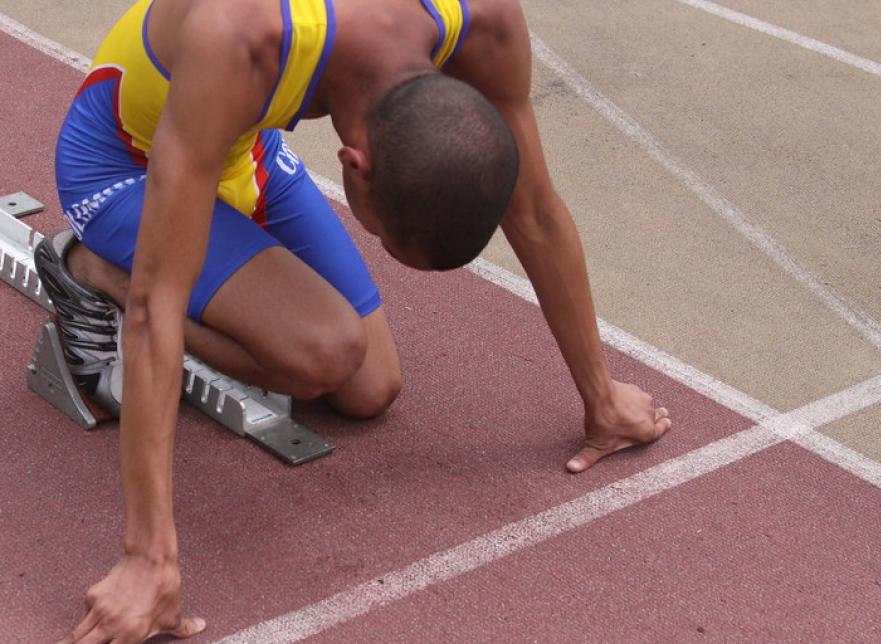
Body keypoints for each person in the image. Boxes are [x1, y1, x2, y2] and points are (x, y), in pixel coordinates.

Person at [39, 0, 674, 640]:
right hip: (125, 164)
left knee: (367, 386)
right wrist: (149, 561)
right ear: (352, 166)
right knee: (322, 350)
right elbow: (158, 305)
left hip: (238, 145)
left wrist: (601, 394)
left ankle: (213, 271)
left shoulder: (485, 19)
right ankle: (90, 268)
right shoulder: (241, 33)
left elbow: (533, 211)